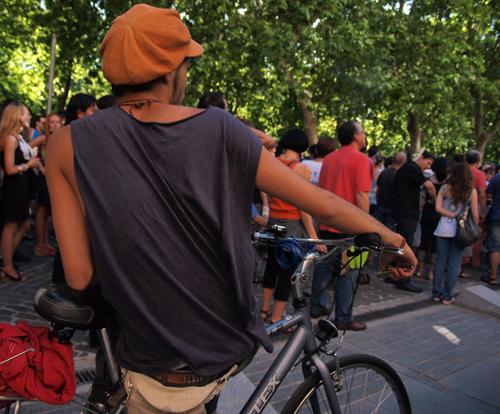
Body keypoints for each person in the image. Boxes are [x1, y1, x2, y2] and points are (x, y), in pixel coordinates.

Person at [45, 5, 417, 413]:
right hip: (205, 354)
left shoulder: (65, 144)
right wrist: (393, 241)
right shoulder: (221, 129)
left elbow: (79, 274)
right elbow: (324, 205)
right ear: (171, 71)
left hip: (136, 351)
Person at [309, 121, 372, 330]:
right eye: (362, 132)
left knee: (324, 267)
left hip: (327, 223)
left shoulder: (329, 158)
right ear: (355, 135)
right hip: (350, 226)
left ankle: (317, 306)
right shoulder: (361, 160)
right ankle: (342, 318)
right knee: (348, 273)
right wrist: (367, 225)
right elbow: (361, 195)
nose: (364, 135)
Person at [261, 128, 325, 325]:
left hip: (274, 221)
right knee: (287, 271)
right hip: (292, 225)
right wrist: (314, 237)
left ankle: (263, 310)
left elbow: (266, 192)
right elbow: (303, 208)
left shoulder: (273, 163)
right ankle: (277, 317)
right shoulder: (301, 169)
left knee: (271, 266)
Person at [0, 102, 40, 281]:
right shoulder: (9, 138)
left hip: (22, 185)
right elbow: (9, 169)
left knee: (23, 224)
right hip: (13, 186)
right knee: (12, 225)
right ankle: (7, 265)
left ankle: (5, 259)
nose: (29, 116)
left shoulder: (19, 136)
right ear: (16, 116)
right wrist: (28, 165)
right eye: (26, 113)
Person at [389, 149, 436, 292]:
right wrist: (434, 200)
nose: (428, 167)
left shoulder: (407, 168)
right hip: (407, 213)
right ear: (421, 158)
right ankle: (404, 279)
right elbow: (429, 186)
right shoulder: (412, 168)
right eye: (427, 163)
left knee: (400, 244)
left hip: (402, 211)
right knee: (406, 246)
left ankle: (394, 275)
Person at [433, 163, 479, 304]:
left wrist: (451, 214)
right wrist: (474, 228)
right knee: (454, 263)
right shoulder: (472, 191)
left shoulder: (445, 188)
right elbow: (475, 215)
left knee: (440, 261)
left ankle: (436, 293)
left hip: (443, 229)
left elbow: (438, 208)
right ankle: (447, 295)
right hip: (461, 231)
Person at [416, 157, 448, 279]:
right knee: (436, 243)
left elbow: (422, 198)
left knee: (424, 240)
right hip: (441, 213)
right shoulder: (448, 183)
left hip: (428, 211)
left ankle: (420, 268)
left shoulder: (428, 180)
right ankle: (431, 272)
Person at [465, 149, 487, 269]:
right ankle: (468, 263)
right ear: (478, 161)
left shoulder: (458, 171)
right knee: (471, 234)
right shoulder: (479, 174)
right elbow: (482, 195)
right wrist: (482, 212)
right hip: (472, 206)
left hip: (453, 206)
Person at [375, 151, 407, 230]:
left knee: (377, 231)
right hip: (393, 210)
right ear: (404, 161)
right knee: (388, 234)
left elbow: (377, 191)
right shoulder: (401, 175)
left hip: (380, 207)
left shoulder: (383, 172)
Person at [485, 171, 500, 285]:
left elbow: (488, 197)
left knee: (495, 247)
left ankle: (493, 276)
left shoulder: (496, 178)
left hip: (497, 216)